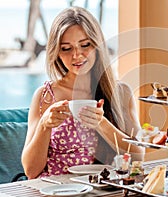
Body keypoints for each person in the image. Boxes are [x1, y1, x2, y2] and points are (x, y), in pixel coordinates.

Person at [21, 6, 144, 179]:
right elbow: (31, 171)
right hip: (57, 191)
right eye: (66, 48)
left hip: (104, 189)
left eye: (85, 45)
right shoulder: (45, 96)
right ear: (56, 52)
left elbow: (138, 156)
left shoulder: (120, 92)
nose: (77, 55)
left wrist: (101, 123)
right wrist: (44, 125)